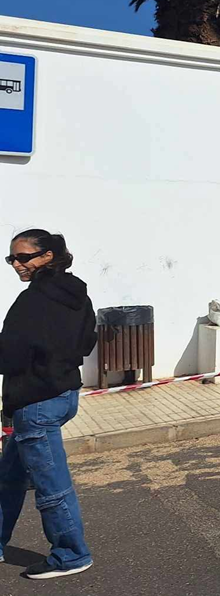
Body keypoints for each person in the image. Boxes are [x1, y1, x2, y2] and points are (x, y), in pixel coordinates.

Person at [0, 229, 96, 579]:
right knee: (7, 478)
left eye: (23, 257)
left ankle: (72, 555)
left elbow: (9, 356)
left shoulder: (32, 301)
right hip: (63, 394)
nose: (16, 265)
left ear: (48, 256)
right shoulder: (77, 293)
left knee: (51, 486)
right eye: (11, 258)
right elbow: (88, 341)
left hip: (36, 402)